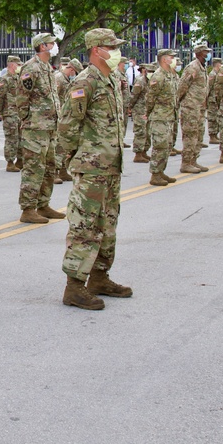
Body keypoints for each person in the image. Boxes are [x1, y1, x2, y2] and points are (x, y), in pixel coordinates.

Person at [59, 28, 131, 311]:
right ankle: (74, 287)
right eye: (110, 47)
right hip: (91, 168)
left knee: (108, 225)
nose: (116, 51)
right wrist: (69, 161)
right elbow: (67, 126)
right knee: (85, 226)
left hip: (111, 166)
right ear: (95, 49)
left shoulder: (111, 79)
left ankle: (99, 277)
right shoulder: (84, 81)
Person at [17, 33, 65, 224]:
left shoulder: (47, 67)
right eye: (52, 43)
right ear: (43, 46)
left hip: (50, 127)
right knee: (33, 168)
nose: (55, 46)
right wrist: (27, 121)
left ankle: (43, 204)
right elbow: (21, 98)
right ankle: (28, 209)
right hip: (35, 128)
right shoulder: (31, 68)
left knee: (49, 167)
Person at [145, 49, 179, 186]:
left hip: (169, 116)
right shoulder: (158, 76)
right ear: (164, 59)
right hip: (160, 116)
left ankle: (161, 171)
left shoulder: (171, 75)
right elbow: (150, 98)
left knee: (167, 146)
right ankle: (155, 174)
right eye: (171, 57)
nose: (173, 60)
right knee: (160, 146)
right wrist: (148, 113)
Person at [176, 44, 211, 174]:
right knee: (190, 135)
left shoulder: (202, 68)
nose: (207, 55)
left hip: (200, 107)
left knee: (199, 135)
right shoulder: (192, 67)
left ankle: (193, 160)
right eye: (205, 53)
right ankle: (186, 163)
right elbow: (182, 86)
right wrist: (178, 103)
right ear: (198, 54)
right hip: (190, 107)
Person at [52, 59, 80, 181]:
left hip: (64, 115)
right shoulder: (59, 78)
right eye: (76, 72)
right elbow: (54, 97)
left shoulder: (66, 78)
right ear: (72, 69)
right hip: (58, 116)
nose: (75, 75)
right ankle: (54, 172)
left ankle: (63, 170)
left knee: (64, 144)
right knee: (58, 144)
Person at [0, 56, 23, 171]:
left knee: (21, 137)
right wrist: (0, 112)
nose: (20, 67)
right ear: (12, 65)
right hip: (9, 113)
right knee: (11, 138)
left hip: (20, 113)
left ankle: (20, 160)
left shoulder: (18, 78)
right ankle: (10, 162)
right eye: (18, 64)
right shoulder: (4, 79)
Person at [130, 63, 155, 163]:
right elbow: (134, 95)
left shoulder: (151, 81)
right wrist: (130, 107)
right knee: (140, 132)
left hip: (147, 110)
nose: (151, 73)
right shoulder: (140, 81)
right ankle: (138, 154)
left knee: (147, 132)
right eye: (149, 71)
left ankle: (144, 152)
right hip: (139, 110)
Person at [116, 58, 131, 149]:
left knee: (124, 122)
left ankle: (122, 139)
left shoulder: (124, 74)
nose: (126, 65)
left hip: (125, 102)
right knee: (121, 123)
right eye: (124, 63)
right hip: (121, 102)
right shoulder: (117, 74)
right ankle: (119, 140)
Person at [207, 58, 223, 144]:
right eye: (220, 64)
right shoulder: (212, 74)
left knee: (217, 118)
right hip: (212, 100)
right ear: (217, 64)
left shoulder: (218, 74)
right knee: (212, 118)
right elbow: (208, 87)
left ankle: (215, 134)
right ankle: (212, 136)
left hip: (216, 99)